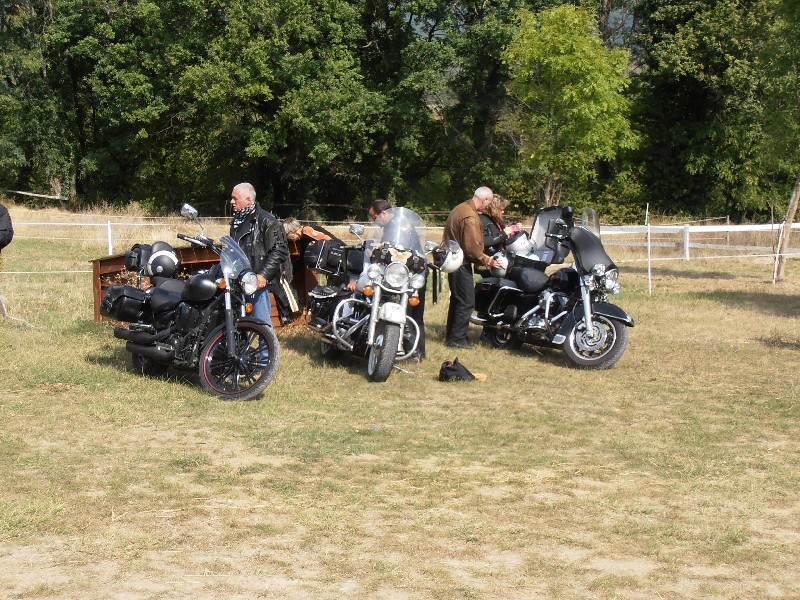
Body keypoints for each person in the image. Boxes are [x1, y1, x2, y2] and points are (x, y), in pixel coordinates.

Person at [366, 199, 428, 360]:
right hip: (414, 272)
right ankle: (417, 353)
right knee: (415, 314)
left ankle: (412, 353)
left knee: (406, 312)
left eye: (375, 218)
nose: (375, 222)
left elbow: (395, 250)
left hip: (408, 273)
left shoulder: (396, 227)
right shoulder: (400, 223)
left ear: (383, 213)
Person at [442, 186, 501, 349]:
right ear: (484, 200)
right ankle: (457, 339)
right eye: (488, 202)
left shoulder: (460, 208)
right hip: (461, 262)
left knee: (457, 300)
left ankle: (452, 336)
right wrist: (488, 261)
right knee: (467, 302)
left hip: (453, 260)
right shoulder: (470, 217)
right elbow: (472, 249)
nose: (488, 206)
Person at [228, 182, 290, 326]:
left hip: (256, 282)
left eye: (235, 198)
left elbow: (279, 250)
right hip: (239, 280)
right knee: (239, 323)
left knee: (262, 324)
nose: (231, 202)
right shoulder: (237, 222)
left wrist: (263, 275)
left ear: (249, 199)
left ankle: (268, 342)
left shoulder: (267, 221)